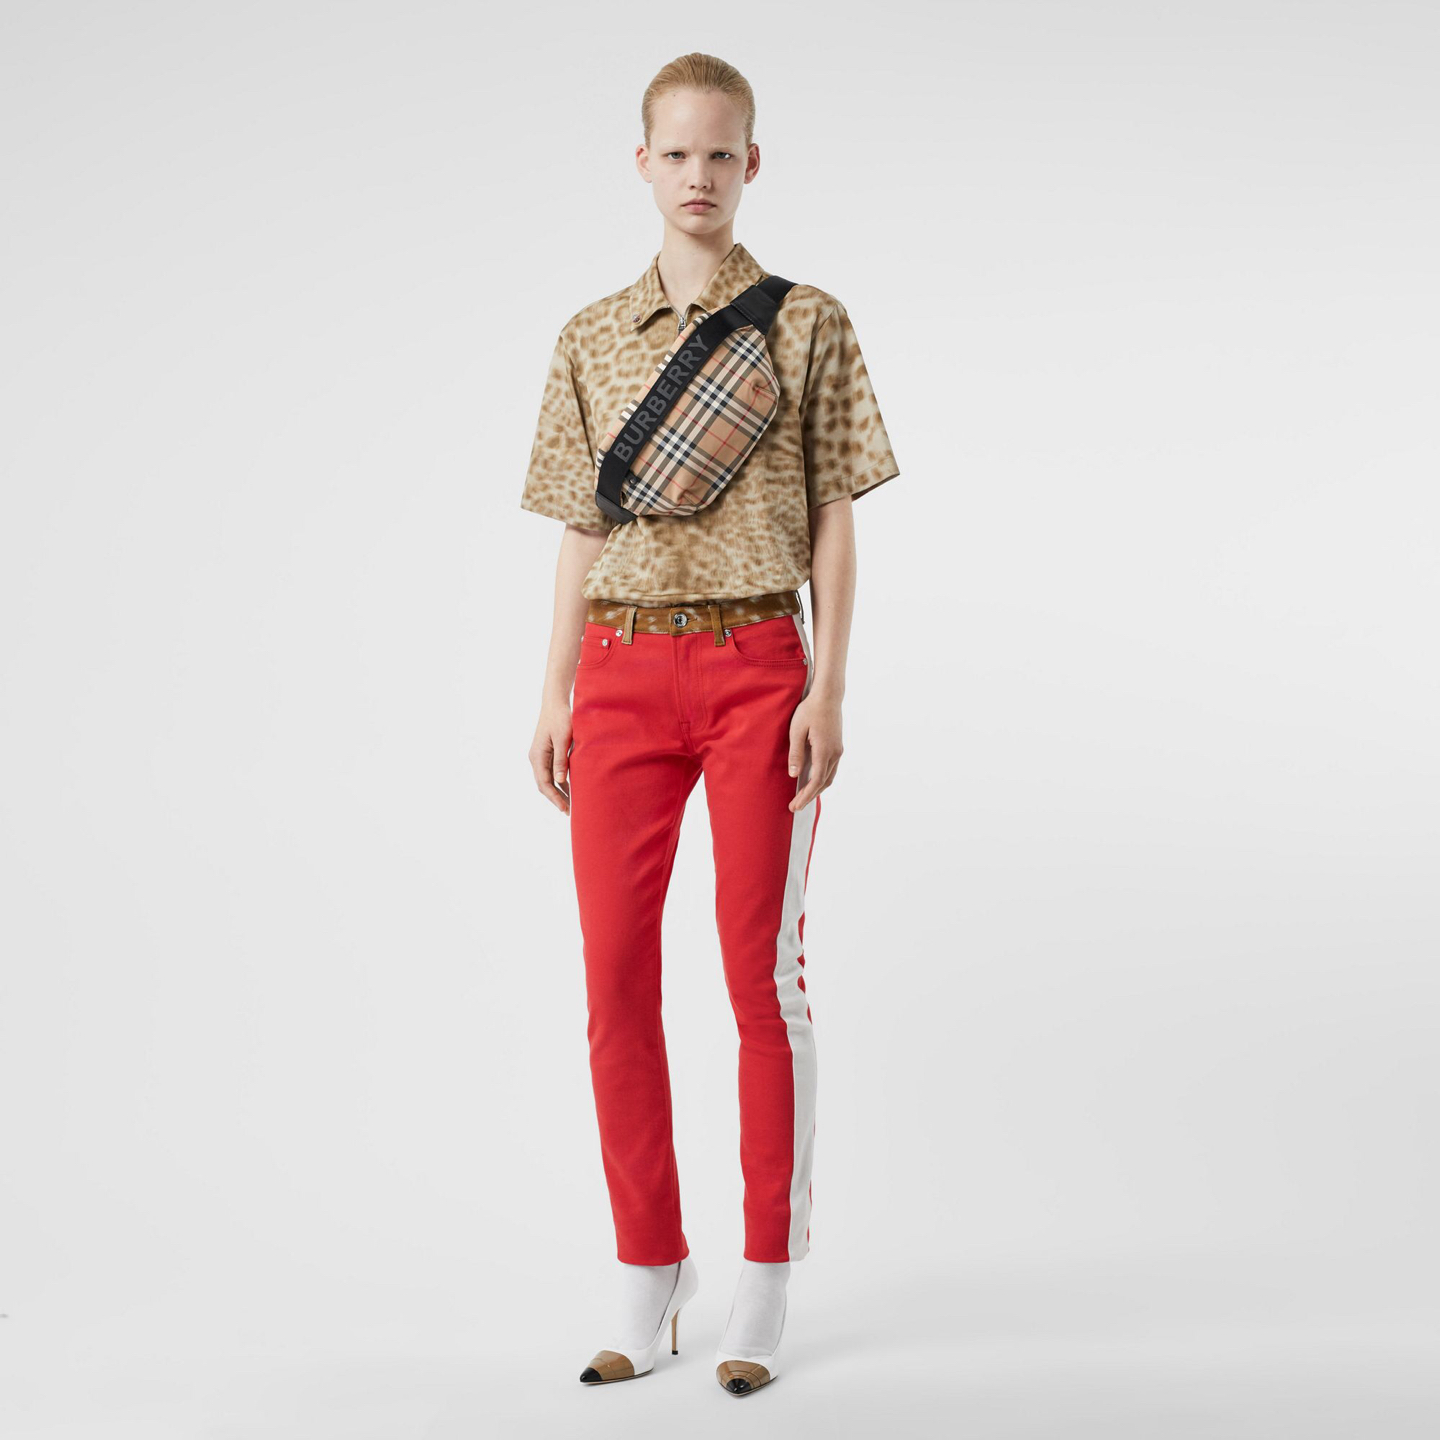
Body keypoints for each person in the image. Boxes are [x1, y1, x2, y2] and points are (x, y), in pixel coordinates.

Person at [520, 52, 900, 1396]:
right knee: (614, 981)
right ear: (642, 165)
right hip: (621, 671)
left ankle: (766, 1278)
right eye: (675, 153)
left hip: (757, 669)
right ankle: (648, 1267)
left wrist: (829, 686)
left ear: (753, 164)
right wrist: (555, 690)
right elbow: (581, 530)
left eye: (721, 153)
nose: (698, 175)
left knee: (760, 980)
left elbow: (836, 517)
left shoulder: (808, 324)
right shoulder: (588, 337)